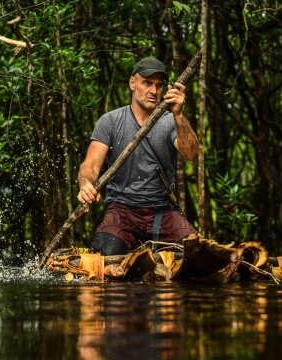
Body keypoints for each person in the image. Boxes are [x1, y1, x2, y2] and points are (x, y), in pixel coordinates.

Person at [77, 56, 199, 256]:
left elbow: (191, 154)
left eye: (159, 86)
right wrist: (86, 185)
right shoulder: (110, 121)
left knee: (196, 255)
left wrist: (178, 115)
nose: (153, 91)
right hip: (121, 210)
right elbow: (90, 165)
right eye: (147, 83)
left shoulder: (171, 122)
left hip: (163, 211)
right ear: (132, 82)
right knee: (108, 256)